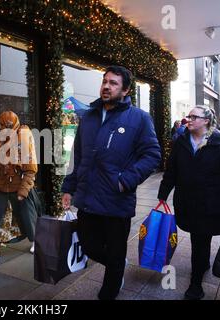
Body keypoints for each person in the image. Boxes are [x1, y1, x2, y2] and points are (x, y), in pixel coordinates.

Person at [61, 65, 161, 300]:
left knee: (115, 252)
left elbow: (152, 155)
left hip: (117, 199)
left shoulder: (139, 118)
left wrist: (125, 181)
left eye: (113, 83)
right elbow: (78, 154)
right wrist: (69, 187)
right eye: (105, 81)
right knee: (88, 246)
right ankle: (117, 266)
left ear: (125, 90)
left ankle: (110, 287)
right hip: (87, 197)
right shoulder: (89, 116)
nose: (106, 86)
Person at [158, 105, 220, 300]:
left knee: (199, 240)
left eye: (194, 116)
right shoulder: (181, 140)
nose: (189, 119)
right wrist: (163, 194)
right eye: (188, 116)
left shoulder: (219, 142)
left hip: (211, 204)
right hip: (186, 201)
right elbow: (172, 171)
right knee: (200, 239)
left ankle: (195, 284)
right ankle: (202, 265)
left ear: (206, 121)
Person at [0, 111, 38, 265]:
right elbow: (0, 167)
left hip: (20, 188)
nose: (0, 128)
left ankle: (36, 241)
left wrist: (23, 190)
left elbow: (31, 168)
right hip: (5, 188)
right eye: (0, 125)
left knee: (27, 219)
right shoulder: (2, 139)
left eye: (3, 125)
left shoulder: (24, 136)